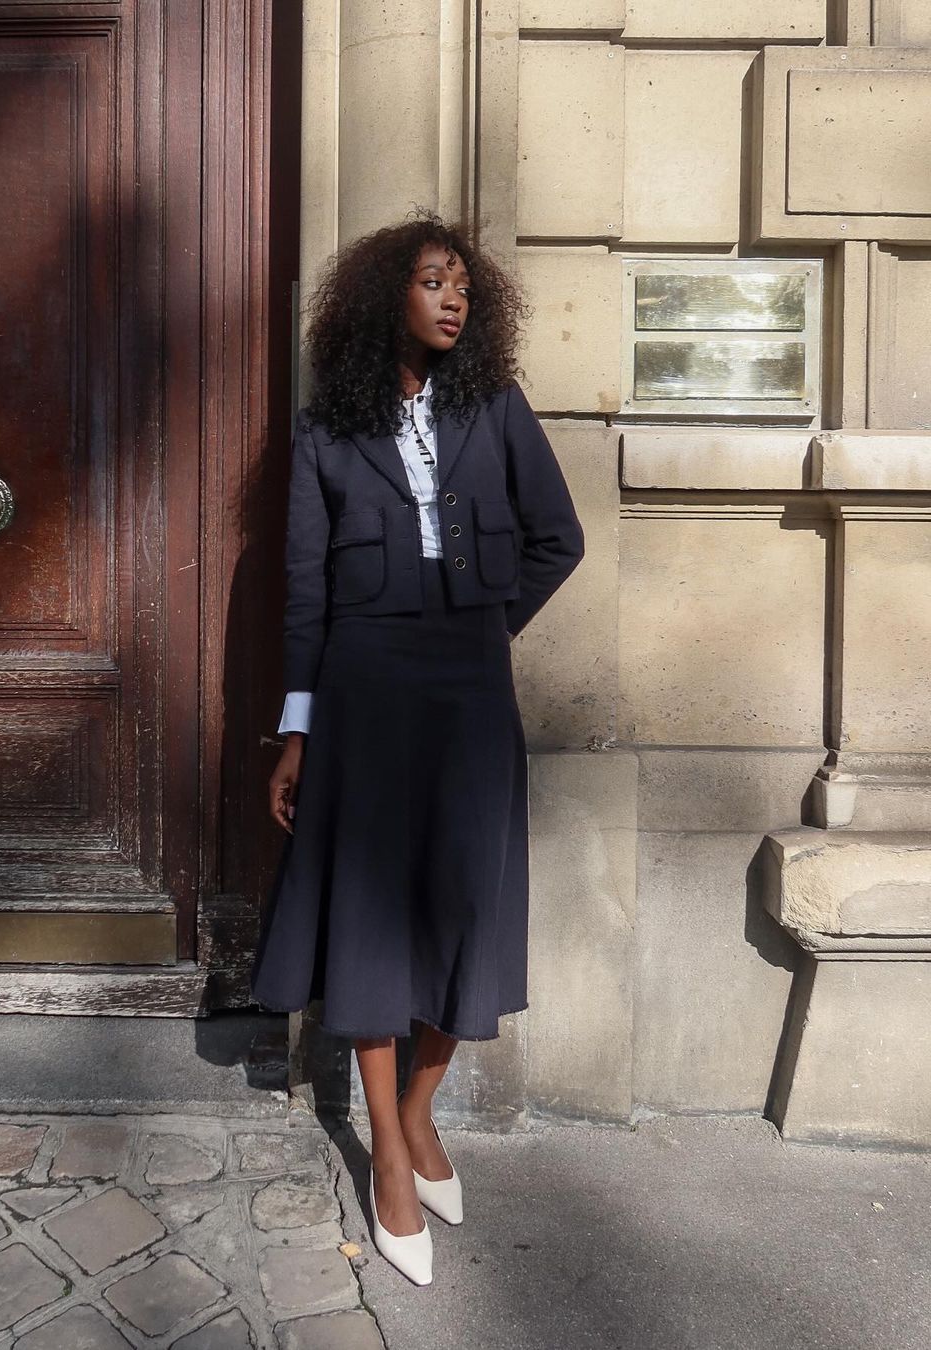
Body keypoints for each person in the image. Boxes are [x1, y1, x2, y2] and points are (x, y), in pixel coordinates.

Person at [250, 211, 585, 1285]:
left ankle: (418, 1107)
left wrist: (487, 623)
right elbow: (306, 592)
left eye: (465, 291)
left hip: (470, 683)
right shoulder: (324, 433)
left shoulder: (495, 409)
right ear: (383, 296)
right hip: (361, 686)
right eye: (435, 284)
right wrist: (295, 732)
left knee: (464, 900)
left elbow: (556, 538)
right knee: (369, 912)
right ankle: (391, 1154)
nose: (453, 302)